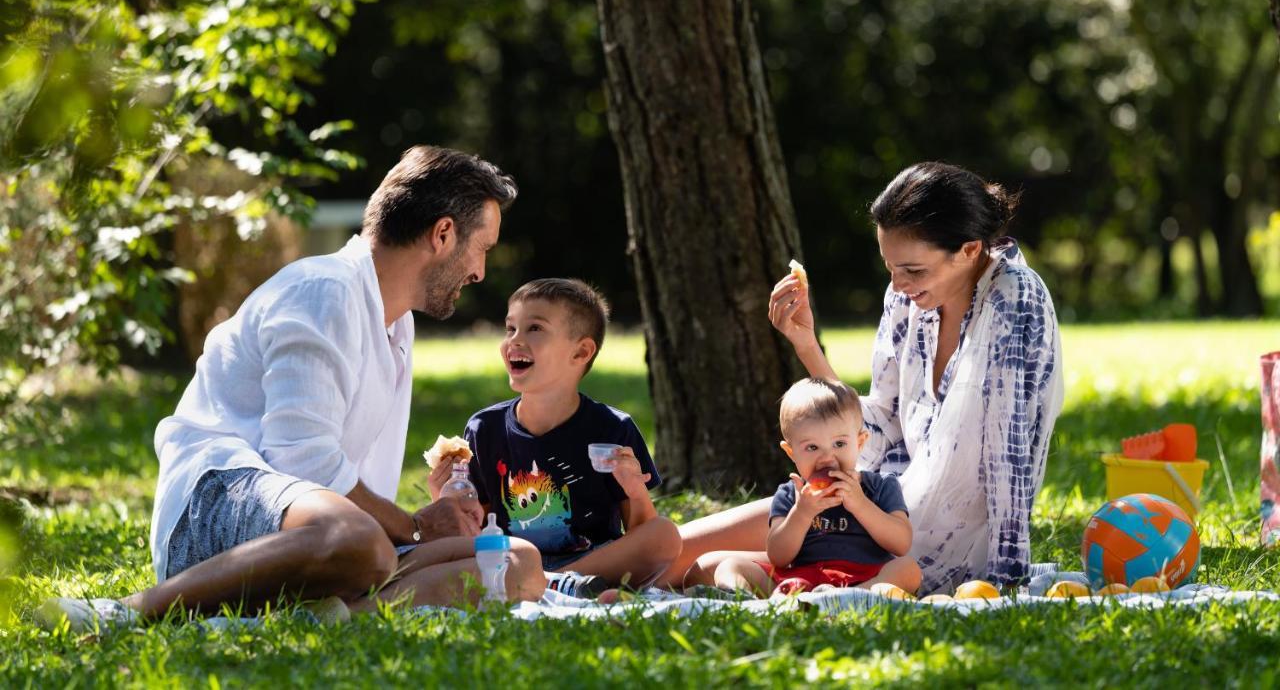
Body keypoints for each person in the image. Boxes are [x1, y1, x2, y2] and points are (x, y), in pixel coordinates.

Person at [39, 145, 546, 630]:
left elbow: (344, 488)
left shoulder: (396, 322)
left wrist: (419, 526)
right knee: (360, 539)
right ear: (442, 235)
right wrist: (414, 528)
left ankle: (311, 615)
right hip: (214, 509)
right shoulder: (323, 291)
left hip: (319, 533)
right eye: (481, 250)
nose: (479, 271)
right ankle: (129, 610)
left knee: (513, 562)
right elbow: (301, 462)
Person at [668, 162, 1064, 595]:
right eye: (890, 267)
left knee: (683, 557)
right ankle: (584, 579)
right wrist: (806, 344)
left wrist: (1008, 579)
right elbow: (875, 428)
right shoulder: (905, 296)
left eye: (913, 270)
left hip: (916, 543)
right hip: (870, 500)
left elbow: (1011, 454)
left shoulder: (1015, 297)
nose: (898, 284)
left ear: (969, 250)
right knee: (675, 548)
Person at [432, 278, 681, 599]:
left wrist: (634, 489)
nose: (515, 341)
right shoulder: (484, 428)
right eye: (510, 329)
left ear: (581, 351)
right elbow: (475, 526)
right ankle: (552, 584)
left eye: (534, 328)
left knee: (664, 535)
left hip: (593, 562)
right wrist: (446, 495)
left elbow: (642, 530)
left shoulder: (613, 428)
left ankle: (551, 582)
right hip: (511, 560)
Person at [703, 378, 920, 597]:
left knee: (908, 569)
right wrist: (801, 513)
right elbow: (779, 556)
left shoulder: (881, 486)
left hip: (865, 578)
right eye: (812, 447)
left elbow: (901, 544)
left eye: (839, 444)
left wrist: (861, 505)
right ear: (791, 452)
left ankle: (851, 598)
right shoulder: (791, 494)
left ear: (860, 442)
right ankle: (747, 601)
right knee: (730, 566)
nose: (827, 457)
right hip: (800, 582)